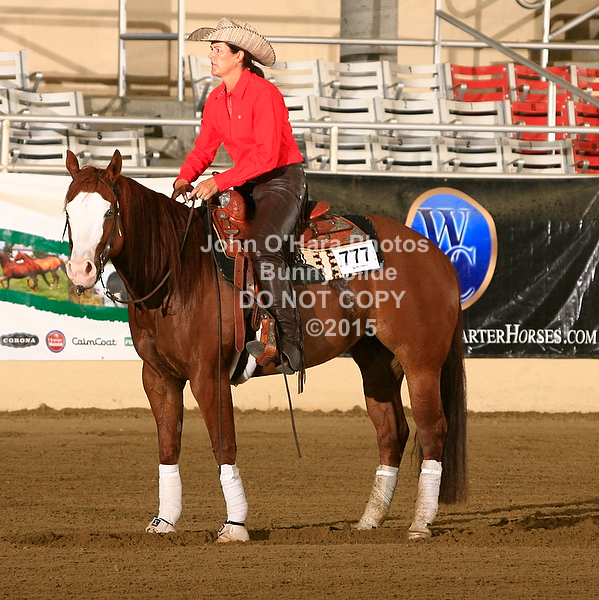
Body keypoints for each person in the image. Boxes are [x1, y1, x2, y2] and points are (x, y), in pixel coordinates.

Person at [172, 18, 307, 375]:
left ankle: (291, 341)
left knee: (263, 246)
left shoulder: (265, 94)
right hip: (247, 181)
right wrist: (185, 177)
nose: (211, 56)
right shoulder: (216, 99)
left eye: (218, 50)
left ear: (239, 56)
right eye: (211, 50)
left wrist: (218, 182)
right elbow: (204, 149)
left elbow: (267, 156)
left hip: (281, 180)